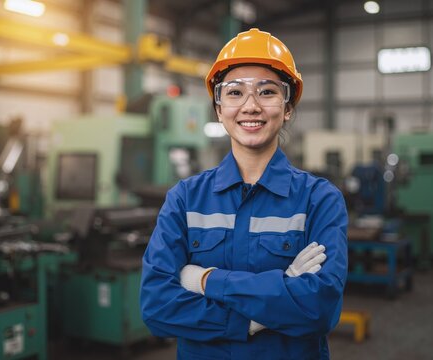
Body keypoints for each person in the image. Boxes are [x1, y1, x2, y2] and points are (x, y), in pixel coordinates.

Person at [140, 28, 348, 360]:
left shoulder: (319, 200)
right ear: (219, 109)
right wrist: (258, 312)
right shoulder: (185, 199)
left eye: (267, 92)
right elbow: (156, 306)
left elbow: (319, 308)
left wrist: (207, 280)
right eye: (235, 93)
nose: (250, 106)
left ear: (288, 107)